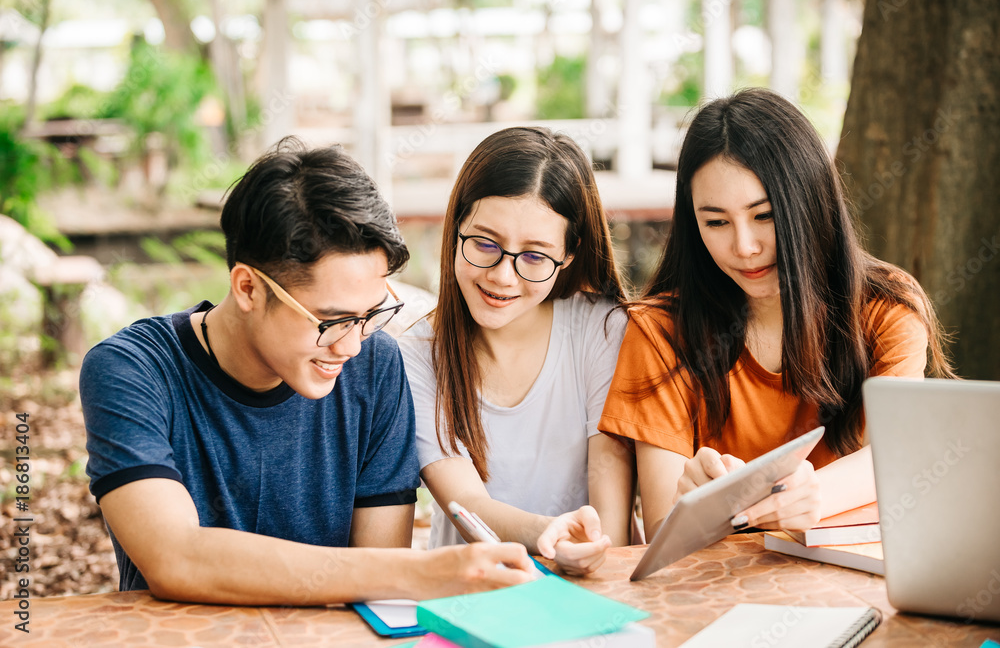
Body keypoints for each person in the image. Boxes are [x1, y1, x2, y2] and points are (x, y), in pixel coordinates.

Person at [80, 138, 536, 606]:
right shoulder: (132, 371)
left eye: (369, 316)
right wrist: (425, 571)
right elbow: (176, 558)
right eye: (332, 321)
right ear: (248, 288)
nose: (351, 344)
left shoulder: (375, 367)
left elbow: (378, 574)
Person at [598, 88, 955, 541]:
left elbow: (897, 455)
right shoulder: (660, 331)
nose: (744, 247)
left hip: (851, 580)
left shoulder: (886, 310)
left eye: (764, 215)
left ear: (809, 203)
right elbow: (664, 528)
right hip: (718, 591)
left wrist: (811, 493)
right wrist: (694, 497)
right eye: (716, 222)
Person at [399, 127, 635, 577]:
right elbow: (466, 504)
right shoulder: (413, 355)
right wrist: (550, 532)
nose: (503, 277)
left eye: (534, 255)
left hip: (592, 586)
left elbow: (610, 477)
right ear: (455, 230)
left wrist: (601, 556)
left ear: (568, 255)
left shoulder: (602, 329)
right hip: (475, 592)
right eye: (485, 243)